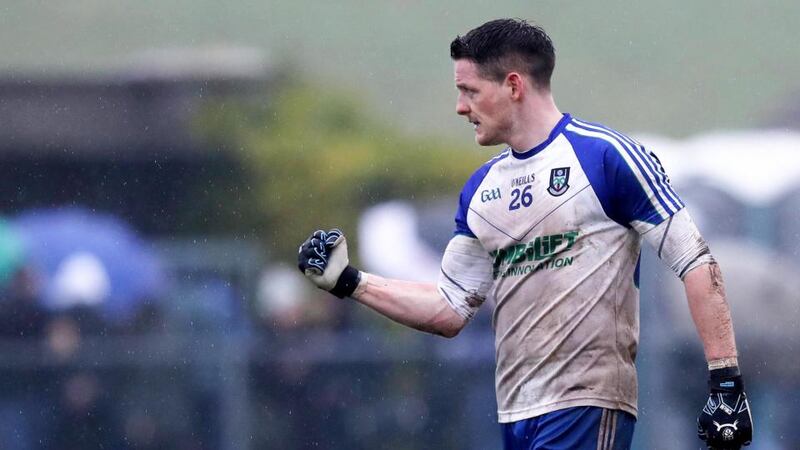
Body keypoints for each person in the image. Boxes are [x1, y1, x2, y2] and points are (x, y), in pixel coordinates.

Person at [297, 18, 753, 450]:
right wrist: (350, 282)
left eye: (469, 91)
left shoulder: (606, 157)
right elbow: (449, 307)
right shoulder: (481, 190)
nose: (460, 107)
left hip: (587, 404)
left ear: (513, 86)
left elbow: (696, 261)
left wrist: (726, 383)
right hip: (515, 414)